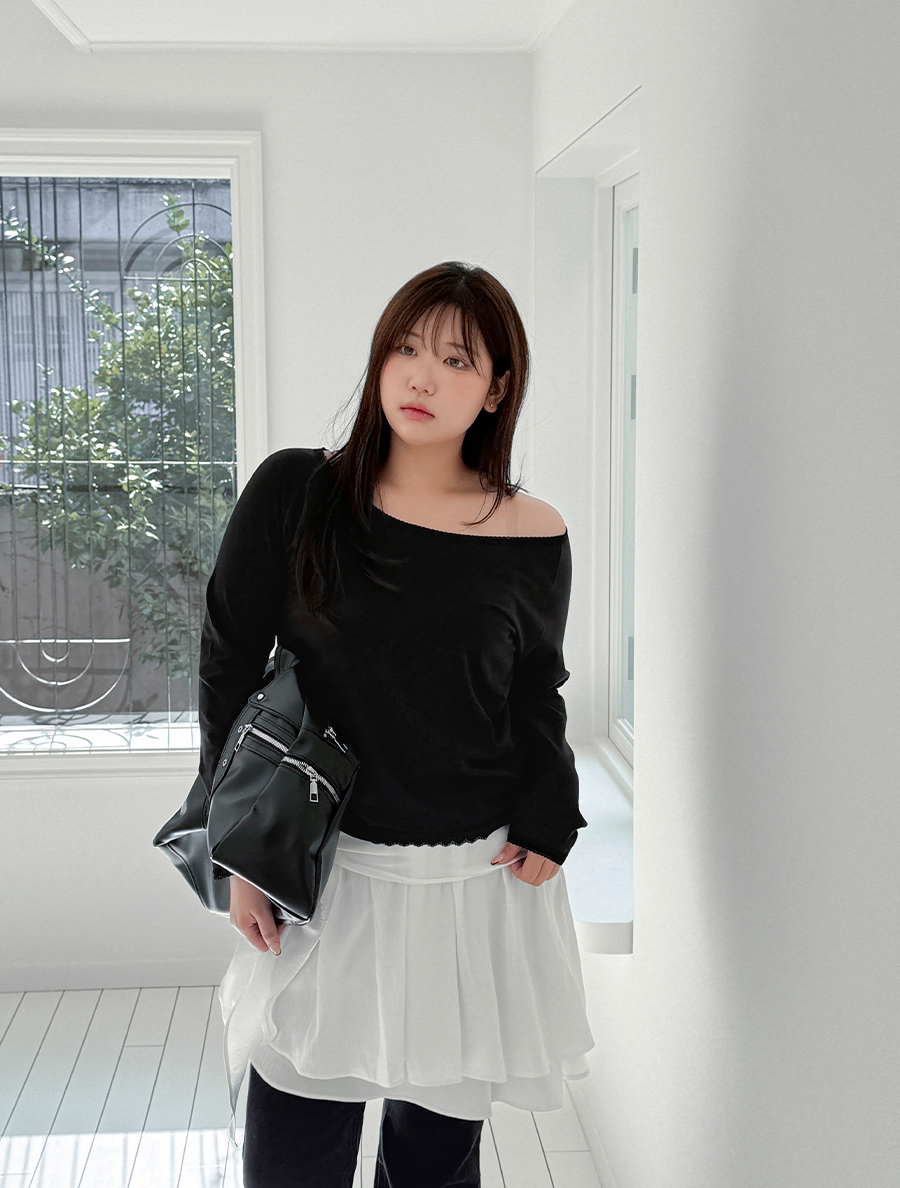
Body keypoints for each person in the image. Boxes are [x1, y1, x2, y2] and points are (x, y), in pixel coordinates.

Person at [198, 261, 595, 1187]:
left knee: (435, 1162)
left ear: (496, 390)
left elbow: (536, 689)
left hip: (474, 881)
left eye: (457, 360)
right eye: (406, 348)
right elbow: (227, 665)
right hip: (329, 874)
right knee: (294, 1146)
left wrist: (552, 812)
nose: (422, 376)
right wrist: (239, 852)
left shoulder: (532, 532)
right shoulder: (297, 492)